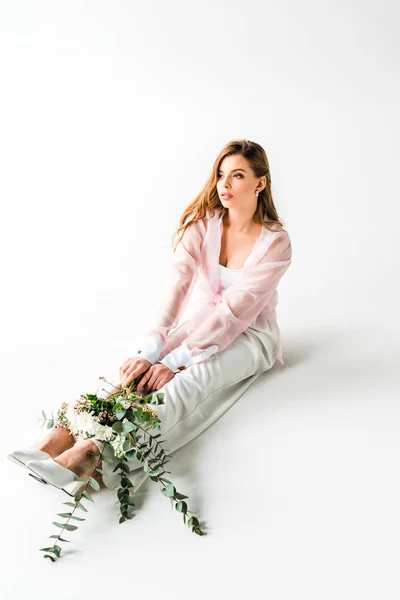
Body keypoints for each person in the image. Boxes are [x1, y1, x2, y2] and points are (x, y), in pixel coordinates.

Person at [8, 139, 293, 496]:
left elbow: (237, 312)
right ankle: (60, 436)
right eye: (221, 175)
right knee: (135, 372)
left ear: (260, 183)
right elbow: (178, 285)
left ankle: (91, 455)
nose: (225, 185)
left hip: (251, 335)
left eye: (237, 176)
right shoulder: (204, 225)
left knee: (190, 380)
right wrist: (153, 346)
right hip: (204, 323)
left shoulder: (276, 243)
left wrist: (178, 361)